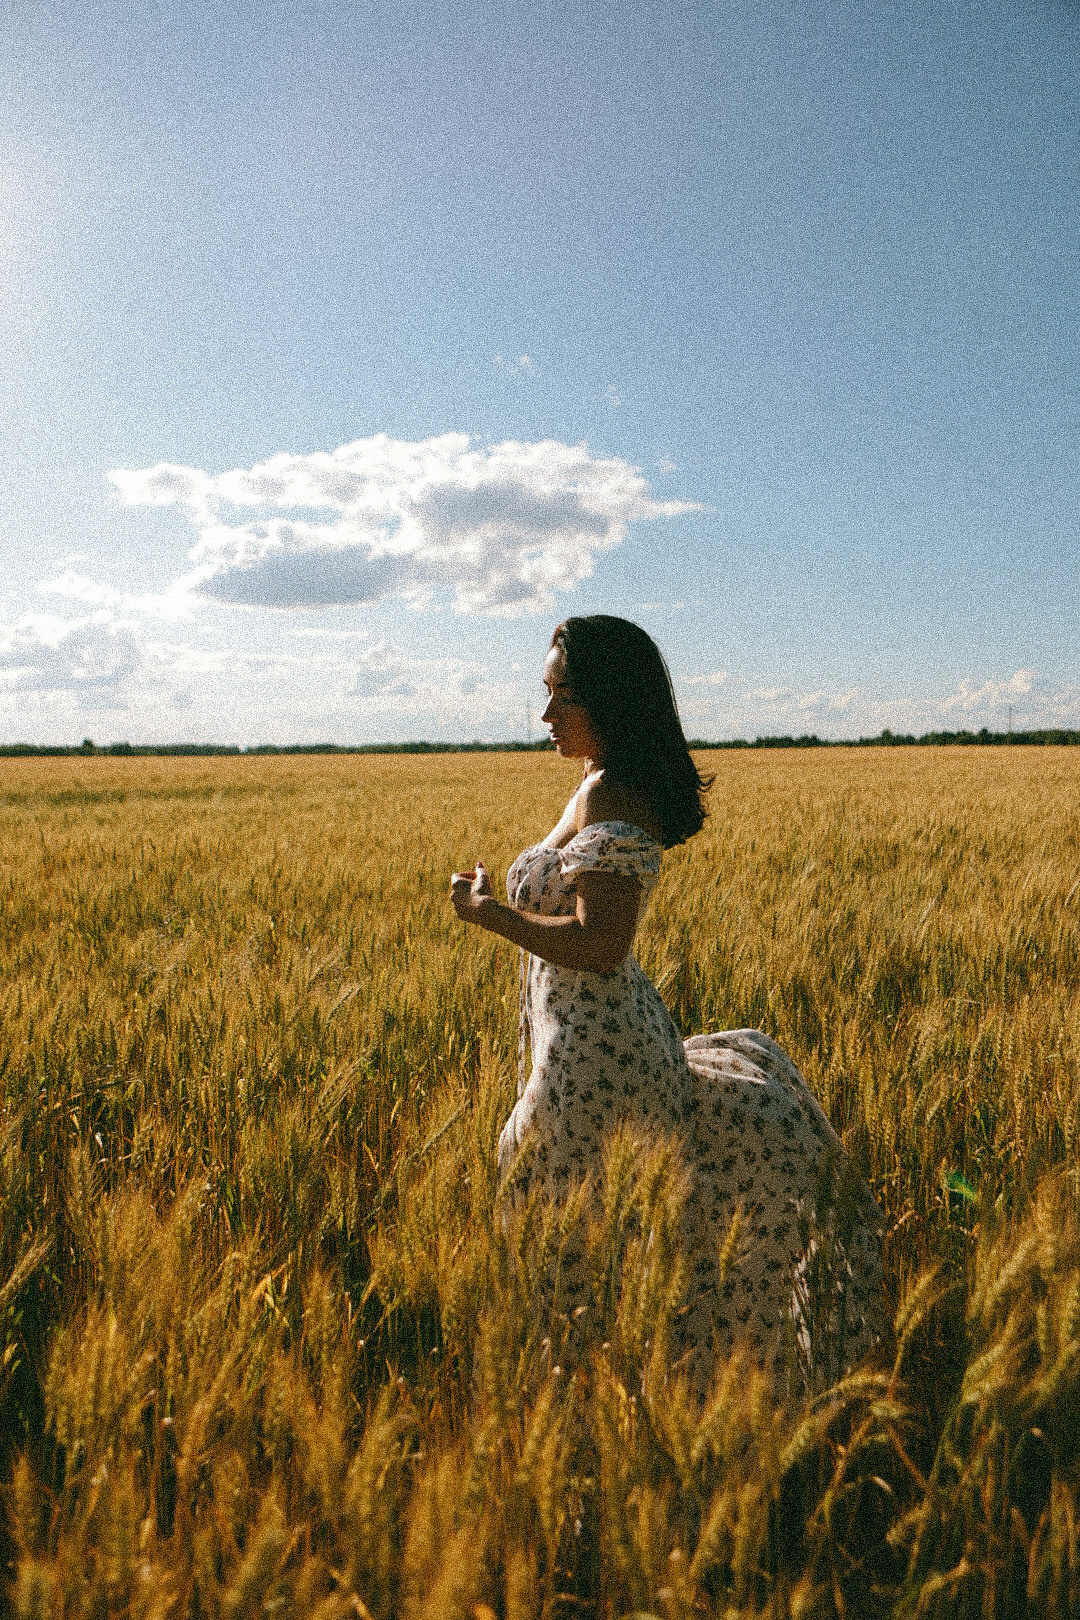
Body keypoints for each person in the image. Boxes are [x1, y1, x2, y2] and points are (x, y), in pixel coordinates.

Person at [451, 615, 885, 1387]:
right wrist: (500, 896)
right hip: (588, 1035)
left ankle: (605, 1405)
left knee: (577, 1228)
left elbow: (600, 943)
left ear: (610, 702)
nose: (546, 717)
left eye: (562, 699)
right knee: (594, 1231)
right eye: (545, 696)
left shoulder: (613, 791)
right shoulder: (596, 783)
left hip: (595, 1052)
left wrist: (492, 916)